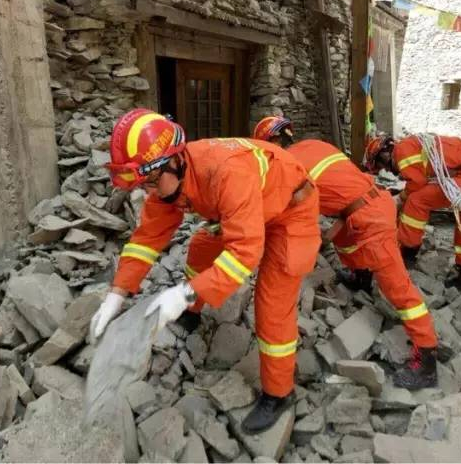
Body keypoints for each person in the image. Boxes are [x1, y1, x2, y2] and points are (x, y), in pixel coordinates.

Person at [89, 109, 321, 434]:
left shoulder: (225, 172)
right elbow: (146, 240)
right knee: (201, 246)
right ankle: (193, 312)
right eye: (143, 185)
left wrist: (183, 293)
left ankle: (279, 393)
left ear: (174, 161)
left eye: (151, 182)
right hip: (249, 205)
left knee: (272, 303)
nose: (150, 191)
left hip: (289, 211)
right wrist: (116, 295)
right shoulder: (171, 174)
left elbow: (243, 254)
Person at [253, 116, 440, 390]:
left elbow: (282, 213)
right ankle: (360, 276)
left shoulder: (286, 166)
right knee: (343, 239)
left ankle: (426, 358)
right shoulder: (316, 145)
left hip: (371, 219)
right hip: (364, 207)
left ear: (271, 143)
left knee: (399, 290)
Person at [364, 134, 461, 292]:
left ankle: (407, 253)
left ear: (385, 153)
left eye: (381, 165)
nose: (386, 170)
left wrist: (399, 198)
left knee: (417, 200)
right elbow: (425, 177)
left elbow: (417, 183)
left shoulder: (401, 149)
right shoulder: (416, 146)